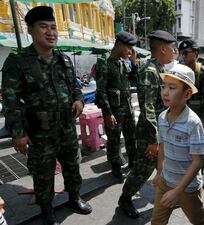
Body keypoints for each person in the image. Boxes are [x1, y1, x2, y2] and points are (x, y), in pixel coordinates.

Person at [1, 6, 92, 225]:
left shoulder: (64, 60)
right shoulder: (17, 62)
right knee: (43, 176)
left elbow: (75, 88)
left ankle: (74, 198)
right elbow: (10, 101)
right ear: (30, 29)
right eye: (44, 27)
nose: (51, 32)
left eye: (53, 27)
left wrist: (79, 100)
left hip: (67, 128)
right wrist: (18, 134)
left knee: (73, 168)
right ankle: (46, 210)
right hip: (39, 133)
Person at [118, 30, 177, 218]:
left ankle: (165, 196)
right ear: (162, 48)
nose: (174, 51)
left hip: (159, 130)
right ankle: (125, 198)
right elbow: (148, 107)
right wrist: (154, 139)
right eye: (171, 48)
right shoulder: (151, 71)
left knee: (161, 166)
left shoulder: (158, 68)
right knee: (143, 169)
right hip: (150, 133)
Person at [150, 64, 204, 225]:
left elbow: (198, 161)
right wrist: (159, 173)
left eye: (172, 88)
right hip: (165, 181)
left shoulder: (193, 123)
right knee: (156, 222)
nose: (165, 92)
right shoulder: (162, 117)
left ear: (187, 94)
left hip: (187, 187)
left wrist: (178, 191)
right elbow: (162, 147)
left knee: (200, 222)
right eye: (163, 86)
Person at [95, 31, 138, 178]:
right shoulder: (104, 61)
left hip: (127, 108)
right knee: (114, 139)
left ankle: (133, 162)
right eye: (129, 48)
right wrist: (107, 113)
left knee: (131, 136)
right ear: (119, 45)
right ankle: (115, 166)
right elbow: (101, 90)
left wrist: (133, 62)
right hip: (114, 110)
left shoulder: (123, 62)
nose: (130, 52)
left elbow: (134, 80)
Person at [178, 39, 204, 128]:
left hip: (195, 118)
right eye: (182, 53)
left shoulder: (203, 72)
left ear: (196, 54)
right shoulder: (178, 71)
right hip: (179, 116)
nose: (183, 56)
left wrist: (203, 119)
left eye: (186, 53)